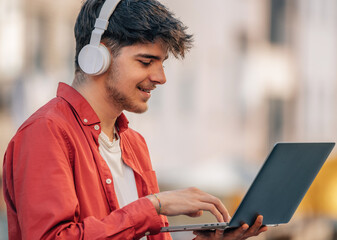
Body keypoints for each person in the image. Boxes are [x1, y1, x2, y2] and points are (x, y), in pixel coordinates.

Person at [2, 0, 268, 239]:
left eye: (162, 63)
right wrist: (153, 206)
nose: (161, 77)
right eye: (146, 61)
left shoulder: (134, 144)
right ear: (98, 57)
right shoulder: (47, 132)